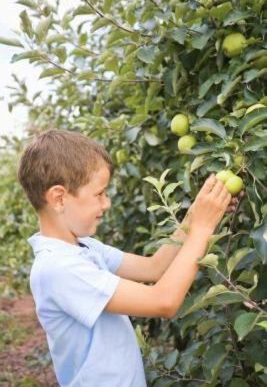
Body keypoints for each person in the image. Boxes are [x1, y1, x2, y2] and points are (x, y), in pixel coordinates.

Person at [17, 129, 239, 387]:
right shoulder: (59, 268)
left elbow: (154, 267)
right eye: (99, 194)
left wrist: (197, 214)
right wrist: (202, 228)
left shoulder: (84, 247)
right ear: (59, 198)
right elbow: (163, 301)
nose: (107, 203)